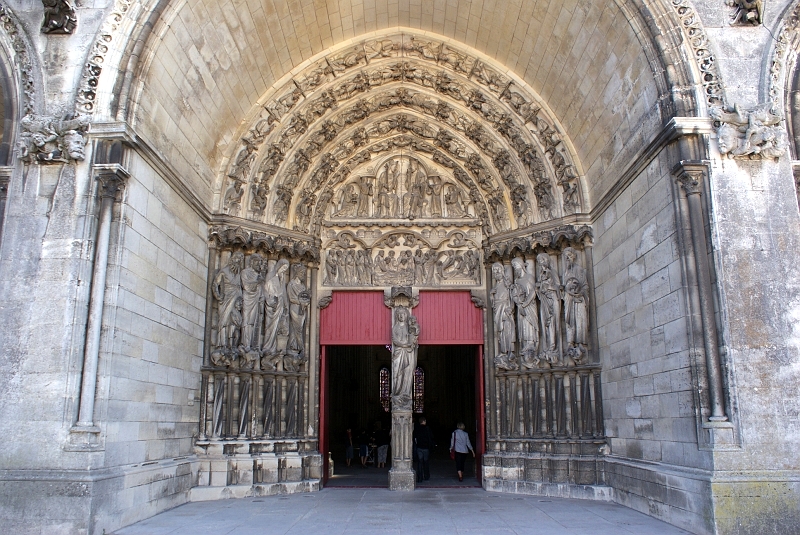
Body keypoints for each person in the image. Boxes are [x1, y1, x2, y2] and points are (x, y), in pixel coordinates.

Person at [413, 417, 435, 482]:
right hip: (426, 447)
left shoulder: (417, 429)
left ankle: (419, 478)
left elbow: (414, 437)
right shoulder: (427, 429)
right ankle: (426, 476)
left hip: (419, 447)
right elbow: (431, 437)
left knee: (420, 462)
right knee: (426, 462)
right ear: (424, 421)